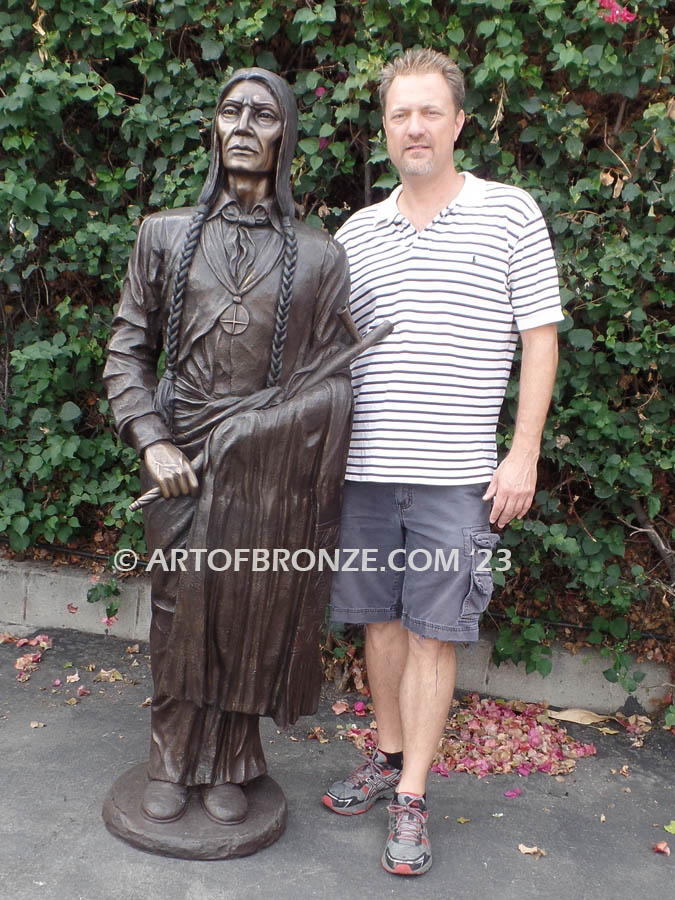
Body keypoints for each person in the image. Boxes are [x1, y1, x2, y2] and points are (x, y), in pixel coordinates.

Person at [321, 49, 563, 876]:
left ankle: (412, 796)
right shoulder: (356, 233)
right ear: (385, 129)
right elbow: (330, 354)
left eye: (429, 112)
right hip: (364, 471)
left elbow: (539, 338)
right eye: (400, 114)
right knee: (379, 622)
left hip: (456, 476)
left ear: (458, 122)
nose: (414, 127)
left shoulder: (509, 213)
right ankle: (388, 757)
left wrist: (522, 451)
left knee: (433, 632)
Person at [103, 68, 355, 830]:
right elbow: (126, 352)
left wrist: (266, 430)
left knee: (250, 612)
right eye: (230, 111)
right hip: (182, 458)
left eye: (263, 115)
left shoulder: (319, 256)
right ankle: (171, 760)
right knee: (179, 614)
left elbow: (333, 381)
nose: (244, 126)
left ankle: (231, 763)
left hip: (265, 465)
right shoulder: (163, 234)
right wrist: (151, 440)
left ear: (286, 137)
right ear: (214, 128)